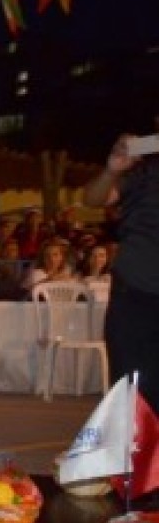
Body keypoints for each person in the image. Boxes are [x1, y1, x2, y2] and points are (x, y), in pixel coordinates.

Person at [83, 131, 159, 413]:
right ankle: (131, 454)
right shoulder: (144, 171)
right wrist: (111, 169)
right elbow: (93, 198)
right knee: (130, 390)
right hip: (134, 292)